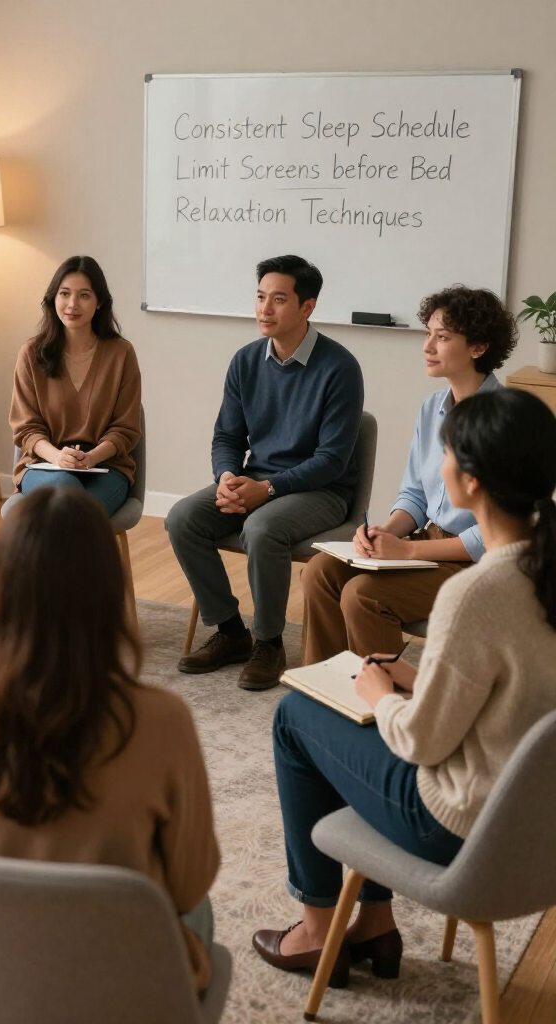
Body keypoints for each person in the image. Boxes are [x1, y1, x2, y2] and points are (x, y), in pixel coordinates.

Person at [253, 387, 556, 987]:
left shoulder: (473, 594)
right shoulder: (541, 570)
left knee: (296, 718)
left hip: (459, 828)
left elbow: (419, 743)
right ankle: (373, 926)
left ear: (469, 482)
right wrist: (419, 679)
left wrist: (379, 696)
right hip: (535, 827)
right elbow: (516, 694)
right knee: (352, 705)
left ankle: (318, 931)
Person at [0, 487, 220, 993]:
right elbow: (189, 885)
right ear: (109, 591)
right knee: (199, 913)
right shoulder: (163, 721)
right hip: (116, 991)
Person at [166, 255, 364, 690]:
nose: (264, 309)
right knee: (183, 517)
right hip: (258, 481)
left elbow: (331, 459)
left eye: (278, 299)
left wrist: (268, 488)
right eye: (260, 297)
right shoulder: (246, 361)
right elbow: (227, 438)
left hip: (322, 491)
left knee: (261, 529)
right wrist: (226, 478)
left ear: (307, 307)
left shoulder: (340, 368)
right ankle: (232, 632)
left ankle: (269, 642)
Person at [301, 286, 517, 663]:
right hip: (427, 544)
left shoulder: (505, 420)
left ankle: (389, 706)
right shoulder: (432, 407)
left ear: (478, 347)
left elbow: (489, 536)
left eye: (443, 337)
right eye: (428, 333)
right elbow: (416, 495)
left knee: (363, 595)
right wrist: (385, 533)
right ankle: (326, 693)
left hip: (477, 566)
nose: (428, 346)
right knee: (319, 571)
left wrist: (408, 550)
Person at [9, 255, 141, 517]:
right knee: (66, 494)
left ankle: (37, 559)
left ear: (99, 302)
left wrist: (91, 458)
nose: (72, 304)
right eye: (65, 293)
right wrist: (58, 457)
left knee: (69, 509)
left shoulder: (121, 353)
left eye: (84, 295)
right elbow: (26, 428)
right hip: (43, 465)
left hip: (106, 467)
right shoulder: (31, 353)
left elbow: (125, 429)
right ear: (53, 299)